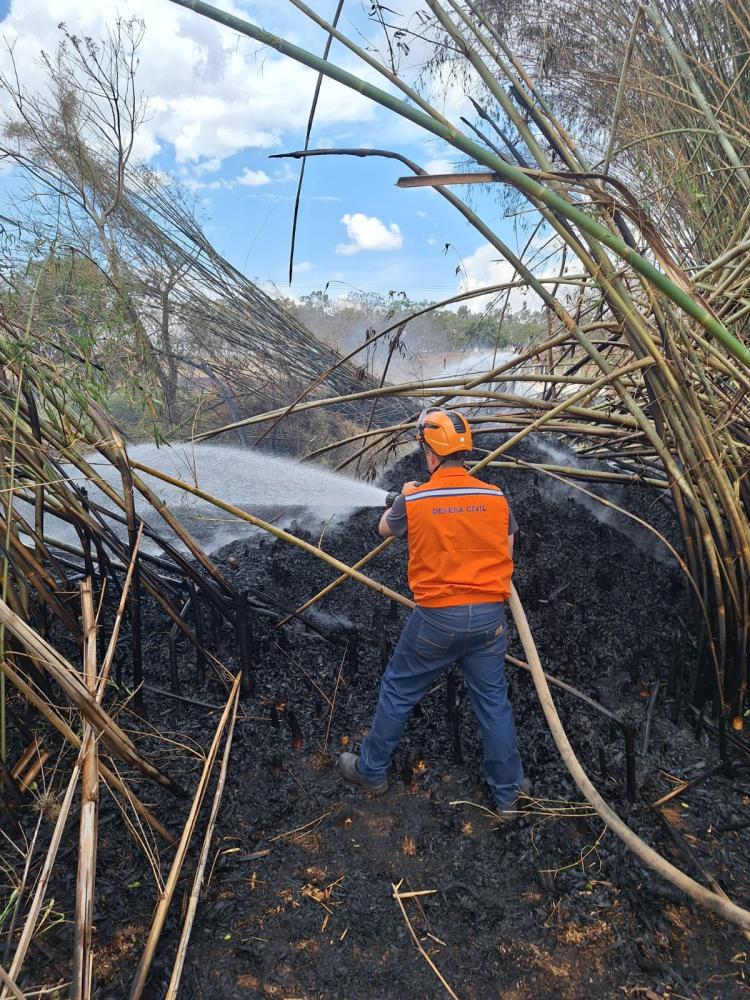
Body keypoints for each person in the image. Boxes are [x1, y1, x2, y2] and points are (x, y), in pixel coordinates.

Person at [338, 407, 528, 814]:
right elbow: (507, 554)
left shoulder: (417, 498)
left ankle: (372, 771)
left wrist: (407, 496)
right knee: (493, 703)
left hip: (436, 623)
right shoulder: (496, 498)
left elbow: (384, 529)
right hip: (490, 622)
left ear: (429, 453)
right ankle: (508, 794)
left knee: (398, 688)